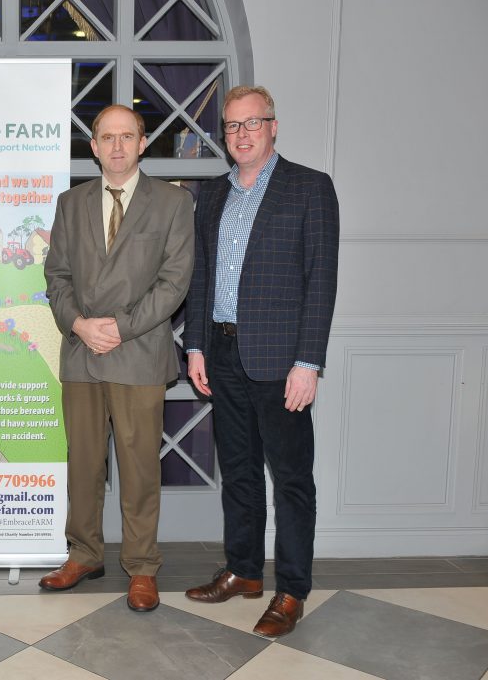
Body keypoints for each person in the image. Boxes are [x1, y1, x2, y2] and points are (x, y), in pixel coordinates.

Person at [183, 85, 339, 637]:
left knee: (292, 480)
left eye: (253, 123)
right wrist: (195, 344)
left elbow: (320, 283)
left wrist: (308, 362)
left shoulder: (310, 189)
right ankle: (244, 572)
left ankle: (292, 590)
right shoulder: (212, 195)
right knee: (241, 475)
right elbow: (202, 275)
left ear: (274, 126)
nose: (242, 134)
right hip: (222, 352)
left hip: (281, 360)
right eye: (232, 126)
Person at [41, 104, 194, 612]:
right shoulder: (70, 203)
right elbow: (56, 278)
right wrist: (81, 325)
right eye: (107, 137)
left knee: (139, 468)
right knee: (82, 464)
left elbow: (174, 284)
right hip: (82, 353)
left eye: (127, 136)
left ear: (143, 142)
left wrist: (119, 327)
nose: (118, 146)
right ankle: (83, 554)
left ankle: (142, 566)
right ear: (94, 146)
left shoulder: (173, 205)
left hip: (140, 353)